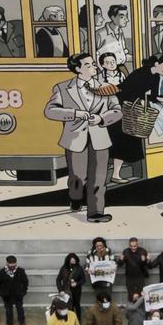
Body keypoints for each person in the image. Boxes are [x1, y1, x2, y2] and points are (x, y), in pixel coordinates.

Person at [45, 52, 122, 223]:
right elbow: (50, 111)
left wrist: (102, 118)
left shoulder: (105, 87)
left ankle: (96, 212)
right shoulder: (63, 88)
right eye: (88, 64)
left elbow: (117, 111)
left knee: (99, 177)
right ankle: (75, 196)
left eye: (93, 64)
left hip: (100, 138)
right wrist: (74, 114)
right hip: (74, 138)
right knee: (77, 177)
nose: (94, 66)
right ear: (78, 69)